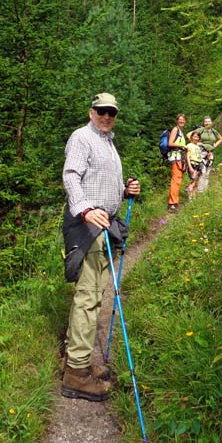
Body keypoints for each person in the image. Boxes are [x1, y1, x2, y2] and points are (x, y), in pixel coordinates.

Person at [61, 92, 141, 402]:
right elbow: (71, 176)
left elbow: (99, 181)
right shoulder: (82, 137)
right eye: (101, 111)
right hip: (87, 226)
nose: (106, 116)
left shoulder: (107, 142)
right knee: (89, 295)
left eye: (111, 112)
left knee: (93, 295)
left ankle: (80, 363)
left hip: (103, 224)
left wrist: (125, 190)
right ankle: (76, 373)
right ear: (91, 111)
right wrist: (84, 209)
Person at [191, 116, 222, 192]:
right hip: (202, 152)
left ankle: (204, 190)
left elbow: (220, 139)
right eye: (206, 122)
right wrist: (196, 143)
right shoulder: (201, 130)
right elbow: (190, 135)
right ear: (203, 123)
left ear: (211, 122)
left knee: (208, 170)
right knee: (202, 170)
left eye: (209, 121)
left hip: (211, 153)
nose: (207, 123)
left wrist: (215, 145)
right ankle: (199, 190)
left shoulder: (214, 131)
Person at [167, 114, 187, 212]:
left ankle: (175, 202)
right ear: (177, 121)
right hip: (175, 157)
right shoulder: (175, 129)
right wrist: (182, 146)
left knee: (178, 180)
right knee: (175, 180)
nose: (181, 121)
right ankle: (172, 204)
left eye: (183, 120)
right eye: (180, 120)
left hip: (179, 157)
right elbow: (170, 143)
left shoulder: (181, 132)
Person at [185, 130, 204, 200]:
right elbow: (187, 156)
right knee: (193, 181)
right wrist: (190, 167)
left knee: (197, 182)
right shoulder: (189, 145)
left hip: (199, 164)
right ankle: (190, 197)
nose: (196, 138)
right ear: (191, 137)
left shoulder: (198, 146)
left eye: (197, 137)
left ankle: (194, 196)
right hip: (193, 164)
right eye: (194, 136)